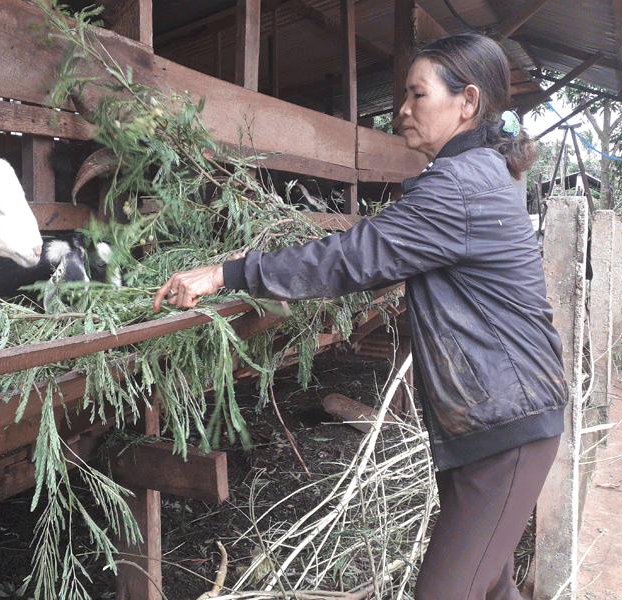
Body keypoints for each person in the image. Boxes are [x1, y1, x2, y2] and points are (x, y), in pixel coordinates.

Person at [152, 32, 568, 600]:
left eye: (417, 95)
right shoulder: (478, 175)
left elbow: (352, 256)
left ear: (467, 103)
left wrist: (227, 273)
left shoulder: (461, 187)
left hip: (506, 425)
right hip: (493, 416)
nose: (400, 111)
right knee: (489, 584)